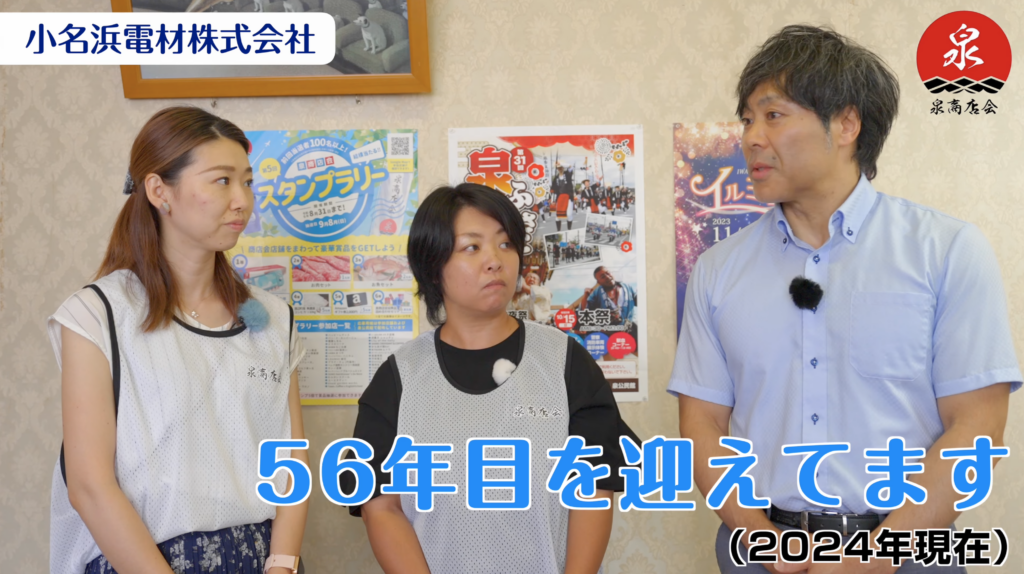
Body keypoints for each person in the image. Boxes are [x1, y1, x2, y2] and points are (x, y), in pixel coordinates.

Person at [669, 25, 1019, 574]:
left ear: (847, 124)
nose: (751, 137)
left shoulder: (947, 250)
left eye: (773, 115)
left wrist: (874, 557)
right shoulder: (717, 270)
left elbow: (975, 428)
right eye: (747, 119)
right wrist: (760, 537)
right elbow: (702, 425)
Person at [48, 107, 308, 574]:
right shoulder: (97, 314)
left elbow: (291, 461)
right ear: (158, 191)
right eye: (222, 180)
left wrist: (283, 565)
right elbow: (89, 486)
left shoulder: (272, 319)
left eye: (248, 182)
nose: (243, 200)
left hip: (261, 559)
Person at [343, 183, 638, 574]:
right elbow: (380, 506)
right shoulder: (400, 377)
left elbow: (595, 489)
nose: (495, 260)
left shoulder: (565, 362)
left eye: (505, 244)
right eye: (472, 247)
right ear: (433, 266)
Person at [552, 164, 575, 231]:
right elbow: (553, 189)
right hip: (560, 197)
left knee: (569, 214)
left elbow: (571, 169)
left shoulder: (567, 175)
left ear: (563, 168)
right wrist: (553, 200)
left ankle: (569, 229)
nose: (560, 169)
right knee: (557, 216)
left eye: (561, 167)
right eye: (558, 168)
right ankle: (558, 231)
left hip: (568, 197)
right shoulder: (556, 178)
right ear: (557, 169)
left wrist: (568, 166)